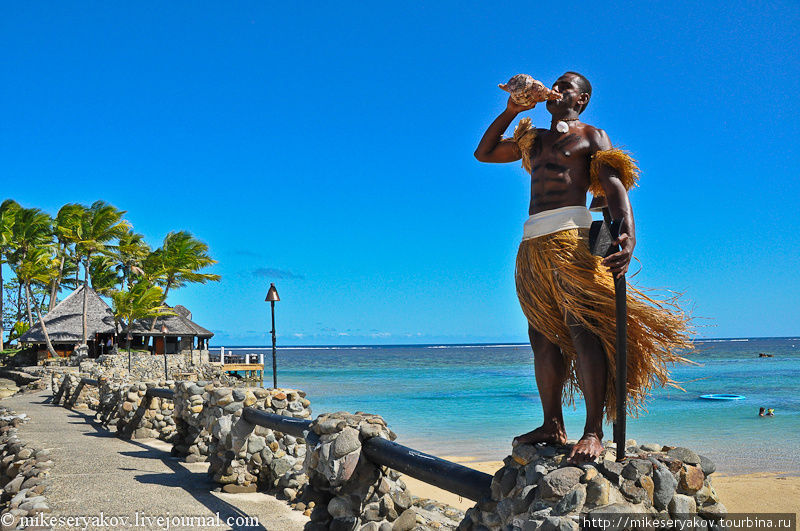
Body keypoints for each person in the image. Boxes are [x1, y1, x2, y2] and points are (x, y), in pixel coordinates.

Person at [474, 72, 692, 462]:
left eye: (566, 87)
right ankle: (552, 423)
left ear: (583, 98)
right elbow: (485, 152)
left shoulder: (592, 136)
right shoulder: (534, 139)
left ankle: (593, 431)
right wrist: (511, 110)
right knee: (540, 335)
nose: (555, 90)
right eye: (554, 84)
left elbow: (614, 188)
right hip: (533, 246)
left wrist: (628, 235)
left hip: (573, 240)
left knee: (583, 329)